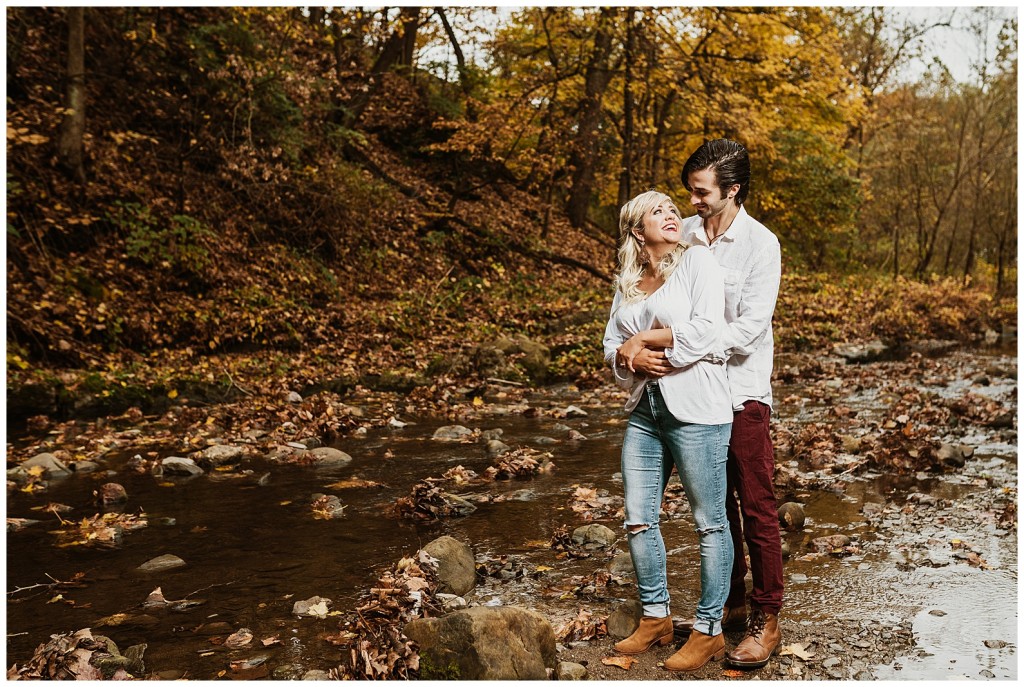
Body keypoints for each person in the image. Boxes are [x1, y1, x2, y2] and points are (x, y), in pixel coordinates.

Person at [634, 139, 783, 669]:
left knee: (757, 506)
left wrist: (681, 347)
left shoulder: (761, 245)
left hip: (741, 393)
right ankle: (730, 604)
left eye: (700, 193)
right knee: (715, 507)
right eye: (689, 192)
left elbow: (749, 327)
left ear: (732, 190)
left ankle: (768, 619)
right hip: (692, 394)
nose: (690, 202)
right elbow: (655, 295)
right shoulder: (686, 237)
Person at [602, 189, 734, 672]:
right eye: (658, 211)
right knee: (638, 516)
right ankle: (656, 618)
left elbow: (706, 331)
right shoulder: (630, 282)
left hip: (698, 408)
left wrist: (643, 340)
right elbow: (610, 348)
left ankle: (709, 630)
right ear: (638, 231)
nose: (672, 215)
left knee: (709, 522)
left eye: (673, 209)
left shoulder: (698, 263)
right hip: (646, 410)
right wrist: (626, 355)